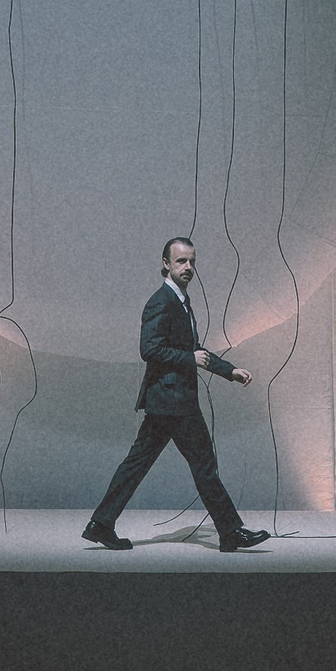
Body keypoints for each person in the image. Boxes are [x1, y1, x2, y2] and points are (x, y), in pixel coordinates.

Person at [82, 236, 271, 552]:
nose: (188, 267)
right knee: (203, 465)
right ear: (166, 263)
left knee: (138, 464)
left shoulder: (181, 301)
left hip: (168, 401)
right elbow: (149, 349)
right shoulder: (162, 301)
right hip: (173, 401)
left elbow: (195, 351)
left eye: (192, 261)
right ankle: (230, 532)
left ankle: (100, 524)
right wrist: (188, 358)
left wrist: (230, 371)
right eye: (181, 261)